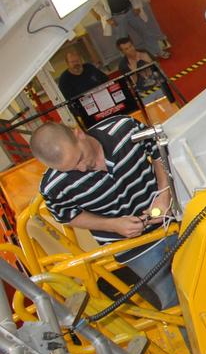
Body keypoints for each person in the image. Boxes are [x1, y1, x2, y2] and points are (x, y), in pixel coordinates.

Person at [30, 117, 178, 308]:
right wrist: (112, 225)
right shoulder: (53, 186)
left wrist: (164, 192)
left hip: (174, 219)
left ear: (79, 134)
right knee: (173, 298)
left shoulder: (124, 130)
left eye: (80, 158)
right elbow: (67, 215)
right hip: (131, 247)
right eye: (72, 169)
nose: (82, 168)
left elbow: (159, 150)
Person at [95, 0, 170, 58]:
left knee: (145, 32)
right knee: (122, 42)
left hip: (131, 10)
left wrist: (136, 5)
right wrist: (107, 18)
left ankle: (156, 51)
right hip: (115, 17)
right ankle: (132, 60)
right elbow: (95, 4)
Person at [57, 48, 110, 128]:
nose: (76, 63)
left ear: (81, 60)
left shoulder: (89, 67)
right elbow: (70, 103)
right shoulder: (64, 80)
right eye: (72, 62)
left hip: (104, 101)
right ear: (67, 64)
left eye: (77, 60)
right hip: (85, 111)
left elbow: (106, 80)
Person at [116, 37, 175, 105]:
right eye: (126, 49)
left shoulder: (144, 52)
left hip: (159, 87)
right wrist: (134, 70)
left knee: (171, 106)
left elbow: (158, 68)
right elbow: (131, 84)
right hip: (144, 94)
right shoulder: (123, 65)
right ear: (122, 52)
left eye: (131, 46)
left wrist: (167, 81)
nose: (131, 49)